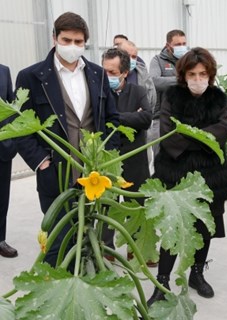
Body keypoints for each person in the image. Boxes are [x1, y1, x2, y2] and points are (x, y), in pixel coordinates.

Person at [15, 12, 119, 267]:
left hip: (92, 173)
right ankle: (55, 286)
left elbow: (112, 119)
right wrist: (40, 161)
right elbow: (20, 126)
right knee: (59, 239)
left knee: (86, 235)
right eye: (67, 40)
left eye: (78, 41)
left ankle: (81, 281)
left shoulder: (98, 74)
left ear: (85, 43)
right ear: (55, 38)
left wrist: (108, 155)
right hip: (56, 173)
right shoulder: (32, 76)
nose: (72, 46)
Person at [147, 47, 227, 306]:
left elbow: (223, 128)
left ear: (211, 74)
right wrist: (203, 138)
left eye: (203, 74)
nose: (198, 79)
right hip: (176, 171)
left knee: (205, 225)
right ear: (183, 75)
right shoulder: (172, 96)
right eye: (192, 74)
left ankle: (197, 273)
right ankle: (162, 281)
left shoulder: (218, 98)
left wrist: (191, 136)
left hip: (211, 175)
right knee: (175, 225)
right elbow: (169, 133)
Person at [101, 47, 153, 262]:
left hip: (134, 156)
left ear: (124, 73)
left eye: (112, 73)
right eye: (104, 71)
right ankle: (107, 247)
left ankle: (137, 247)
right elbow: (99, 122)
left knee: (136, 203)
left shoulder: (138, 91)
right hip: (109, 156)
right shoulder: (99, 92)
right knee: (108, 203)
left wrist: (115, 118)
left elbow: (147, 119)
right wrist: (130, 117)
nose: (107, 77)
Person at [148, 29, 188, 158]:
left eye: (184, 43)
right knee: (160, 156)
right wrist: (181, 80)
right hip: (161, 117)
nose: (181, 47)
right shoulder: (158, 60)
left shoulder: (190, 61)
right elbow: (154, 81)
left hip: (186, 117)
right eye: (177, 44)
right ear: (168, 46)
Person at [0, 64, 18, 258]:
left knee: (2, 196)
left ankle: (0, 239)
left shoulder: (4, 71)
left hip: (2, 146)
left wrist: (13, 142)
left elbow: (12, 107)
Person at [118, 40, 156, 112]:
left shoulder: (143, 73)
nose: (131, 59)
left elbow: (152, 98)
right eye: (127, 55)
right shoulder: (109, 74)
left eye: (134, 56)